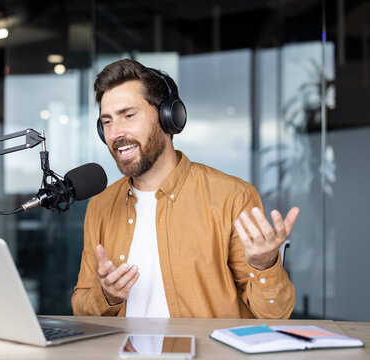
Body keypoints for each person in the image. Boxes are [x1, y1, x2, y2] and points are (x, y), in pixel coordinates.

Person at [71, 59, 299, 319]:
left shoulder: (231, 197)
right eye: (107, 122)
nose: (115, 134)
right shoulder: (100, 206)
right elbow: (81, 308)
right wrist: (107, 296)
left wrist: (265, 265)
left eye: (128, 115)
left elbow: (274, 316)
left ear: (169, 117)